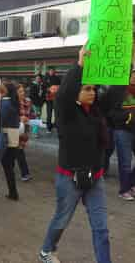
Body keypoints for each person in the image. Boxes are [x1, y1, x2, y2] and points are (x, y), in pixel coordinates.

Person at [39, 46, 115, 263]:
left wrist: (128, 62)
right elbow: (64, 94)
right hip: (69, 178)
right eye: (86, 89)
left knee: (101, 228)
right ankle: (47, 250)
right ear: (76, 93)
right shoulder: (66, 112)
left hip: (95, 178)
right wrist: (79, 64)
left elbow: (115, 93)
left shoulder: (97, 112)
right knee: (61, 220)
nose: (92, 92)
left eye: (93, 89)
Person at [104, 68, 135, 200]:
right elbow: (110, 112)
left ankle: (131, 184)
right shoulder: (117, 90)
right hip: (122, 130)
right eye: (133, 74)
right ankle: (124, 190)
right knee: (125, 162)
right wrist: (127, 116)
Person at [16, 84, 32, 182]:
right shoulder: (13, 103)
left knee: (19, 150)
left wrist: (28, 118)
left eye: (23, 91)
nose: (22, 93)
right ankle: (25, 173)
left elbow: (32, 114)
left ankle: (24, 173)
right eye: (20, 91)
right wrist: (19, 118)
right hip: (15, 129)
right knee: (19, 151)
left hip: (24, 129)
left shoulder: (27, 101)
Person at [44, 68, 61, 133]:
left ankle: (56, 126)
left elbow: (60, 86)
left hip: (56, 98)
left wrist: (55, 88)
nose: (51, 72)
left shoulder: (57, 78)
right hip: (48, 98)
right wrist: (48, 89)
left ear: (54, 71)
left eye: (53, 70)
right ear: (48, 71)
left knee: (57, 113)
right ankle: (49, 128)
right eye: (50, 70)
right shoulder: (46, 78)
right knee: (49, 113)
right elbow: (44, 87)